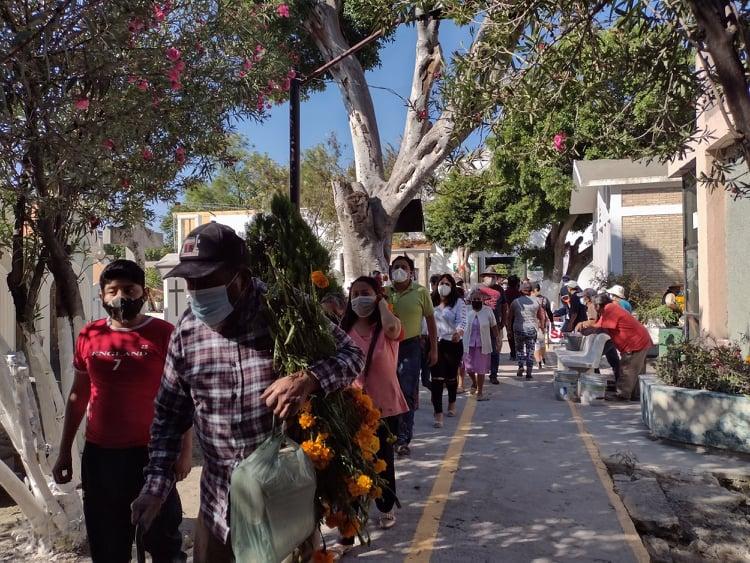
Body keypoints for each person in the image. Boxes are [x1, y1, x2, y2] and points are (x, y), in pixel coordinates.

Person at [130, 223, 364, 563]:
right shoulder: (187, 331)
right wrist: (155, 488)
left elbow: (352, 355)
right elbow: (168, 414)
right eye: (189, 282)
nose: (195, 291)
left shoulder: (285, 311)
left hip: (285, 502)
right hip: (218, 507)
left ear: (238, 277)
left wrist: (307, 379)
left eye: (206, 281)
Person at [52, 260, 190, 563]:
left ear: (144, 292)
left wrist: (184, 452)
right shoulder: (89, 336)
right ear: (102, 296)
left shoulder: (165, 334)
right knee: (107, 544)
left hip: (153, 456)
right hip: (101, 457)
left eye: (129, 289)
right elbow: (78, 395)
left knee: (164, 542)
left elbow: (183, 397)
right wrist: (64, 452)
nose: (120, 297)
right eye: (112, 291)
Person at [339, 276, 408, 544]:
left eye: (365, 292)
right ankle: (351, 518)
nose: (359, 298)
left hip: (386, 405)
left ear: (377, 295)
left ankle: (385, 505)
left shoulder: (387, 327)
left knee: (382, 459)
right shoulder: (344, 329)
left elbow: (393, 327)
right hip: (354, 407)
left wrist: (381, 304)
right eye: (354, 294)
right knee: (354, 462)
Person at [386, 255, 437, 456]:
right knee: (389, 390)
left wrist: (434, 349)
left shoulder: (421, 292)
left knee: (407, 391)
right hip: (387, 347)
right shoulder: (383, 293)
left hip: (411, 347)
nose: (399, 270)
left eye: (403, 267)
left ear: (411, 272)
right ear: (390, 271)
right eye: (396, 267)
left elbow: (431, 322)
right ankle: (390, 433)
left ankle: (403, 438)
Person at [578, 294, 652, 401]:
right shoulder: (608, 309)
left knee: (627, 369)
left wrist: (585, 329)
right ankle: (635, 395)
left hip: (635, 343)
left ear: (598, 305)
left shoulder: (609, 309)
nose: (593, 308)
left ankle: (622, 395)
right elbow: (599, 325)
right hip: (641, 340)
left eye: (594, 306)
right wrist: (586, 327)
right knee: (636, 371)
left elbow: (601, 329)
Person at [430, 275, 466, 428]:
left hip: (453, 343)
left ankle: (452, 402)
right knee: (437, 379)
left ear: (452, 287)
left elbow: (463, 321)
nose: (443, 286)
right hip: (435, 344)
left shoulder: (458, 303)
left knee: (451, 378)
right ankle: (438, 413)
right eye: (441, 283)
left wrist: (459, 332)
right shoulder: (430, 301)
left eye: (447, 283)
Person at [463, 288, 501, 401]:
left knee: (480, 369)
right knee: (468, 368)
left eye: (478, 299)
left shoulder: (488, 310)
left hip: (482, 345)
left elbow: (494, 326)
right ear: (470, 300)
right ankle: (474, 382)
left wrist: (498, 339)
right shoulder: (466, 310)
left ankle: (479, 392)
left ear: (483, 300)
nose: (476, 301)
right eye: (474, 299)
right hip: (468, 344)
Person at [508, 282, 546, 379]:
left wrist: (509, 330)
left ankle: (521, 366)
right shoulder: (537, 301)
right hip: (532, 329)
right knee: (530, 350)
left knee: (519, 349)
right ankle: (529, 372)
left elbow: (509, 317)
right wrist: (542, 326)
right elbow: (541, 316)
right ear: (531, 291)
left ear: (520, 290)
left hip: (518, 328)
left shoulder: (515, 302)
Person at [478, 272, 503, 384]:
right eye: (489, 276)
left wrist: (503, 322)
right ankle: (479, 373)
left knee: (495, 350)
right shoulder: (477, 289)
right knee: (478, 350)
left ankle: (493, 374)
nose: (492, 278)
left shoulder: (499, 290)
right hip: (479, 324)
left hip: (495, 324)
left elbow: (504, 305)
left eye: (494, 276)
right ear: (484, 277)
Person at [531, 282, 554, 369]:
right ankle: (543, 358)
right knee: (542, 342)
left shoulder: (530, 300)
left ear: (535, 290)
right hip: (543, 324)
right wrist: (552, 323)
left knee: (536, 343)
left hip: (533, 324)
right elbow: (549, 312)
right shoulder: (545, 299)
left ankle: (538, 361)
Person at [501, 275, 522, 360]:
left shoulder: (505, 293)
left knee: (510, 334)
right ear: (517, 283)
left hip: (508, 317)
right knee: (518, 334)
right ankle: (517, 352)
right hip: (518, 317)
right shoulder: (519, 293)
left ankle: (513, 353)